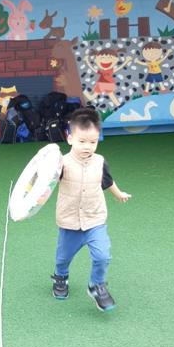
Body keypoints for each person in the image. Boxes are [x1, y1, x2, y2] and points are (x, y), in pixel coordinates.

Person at [51, 107, 131, 311]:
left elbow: (107, 181)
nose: (88, 147)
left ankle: (97, 285)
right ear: (70, 138)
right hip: (69, 221)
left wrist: (118, 193)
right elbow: (46, 184)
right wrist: (31, 202)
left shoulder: (100, 162)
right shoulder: (62, 163)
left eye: (93, 142)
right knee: (63, 258)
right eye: (82, 141)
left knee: (103, 256)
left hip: (95, 219)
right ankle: (61, 277)